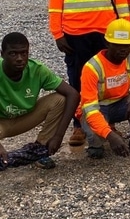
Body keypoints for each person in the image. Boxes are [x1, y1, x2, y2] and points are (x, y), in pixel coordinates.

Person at [48, 0, 129, 147]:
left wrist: (123, 29)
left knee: (107, 78)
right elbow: (56, 0)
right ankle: (79, 125)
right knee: (77, 79)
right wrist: (57, 33)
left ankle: (106, 121)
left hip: (106, 32)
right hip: (75, 33)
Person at [79, 19, 130, 159]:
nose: (123, 49)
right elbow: (90, 110)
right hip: (98, 108)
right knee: (97, 139)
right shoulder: (92, 68)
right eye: (117, 45)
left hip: (121, 104)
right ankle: (95, 145)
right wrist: (110, 135)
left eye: (126, 45)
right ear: (107, 43)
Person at [0, 32, 80, 169]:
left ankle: (40, 150)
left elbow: (73, 94)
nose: (20, 58)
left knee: (60, 100)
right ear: (2, 54)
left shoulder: (36, 70)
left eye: (24, 53)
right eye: (13, 54)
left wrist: (58, 136)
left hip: (24, 118)